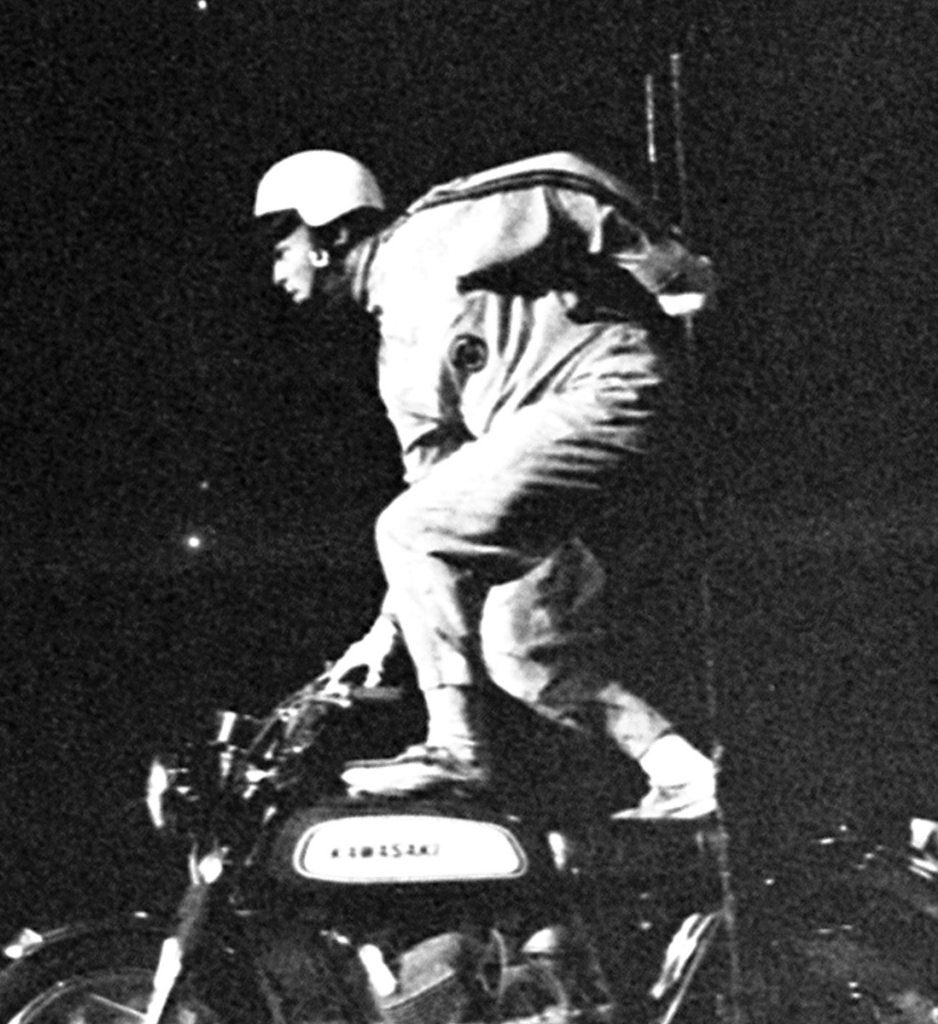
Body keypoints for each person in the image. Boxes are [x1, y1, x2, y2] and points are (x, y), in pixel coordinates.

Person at [256, 144, 721, 820]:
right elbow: (438, 510)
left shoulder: (432, 232)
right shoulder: (398, 361)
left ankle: (455, 749)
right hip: (549, 449)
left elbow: (562, 177)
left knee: (408, 529)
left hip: (609, 391)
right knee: (518, 647)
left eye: (280, 245)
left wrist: (667, 267)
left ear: (329, 229)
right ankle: (685, 774)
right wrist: (381, 638)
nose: (276, 270)